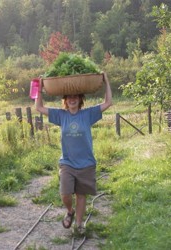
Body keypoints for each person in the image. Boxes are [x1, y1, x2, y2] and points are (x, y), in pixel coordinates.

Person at [35, 72, 112, 235]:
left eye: (75, 96)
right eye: (69, 97)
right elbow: (39, 108)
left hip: (86, 163)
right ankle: (69, 210)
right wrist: (39, 89)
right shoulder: (60, 115)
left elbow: (108, 102)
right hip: (67, 162)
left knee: (81, 194)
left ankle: (78, 224)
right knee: (65, 193)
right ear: (65, 100)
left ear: (80, 99)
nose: (72, 99)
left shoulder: (88, 114)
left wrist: (107, 82)